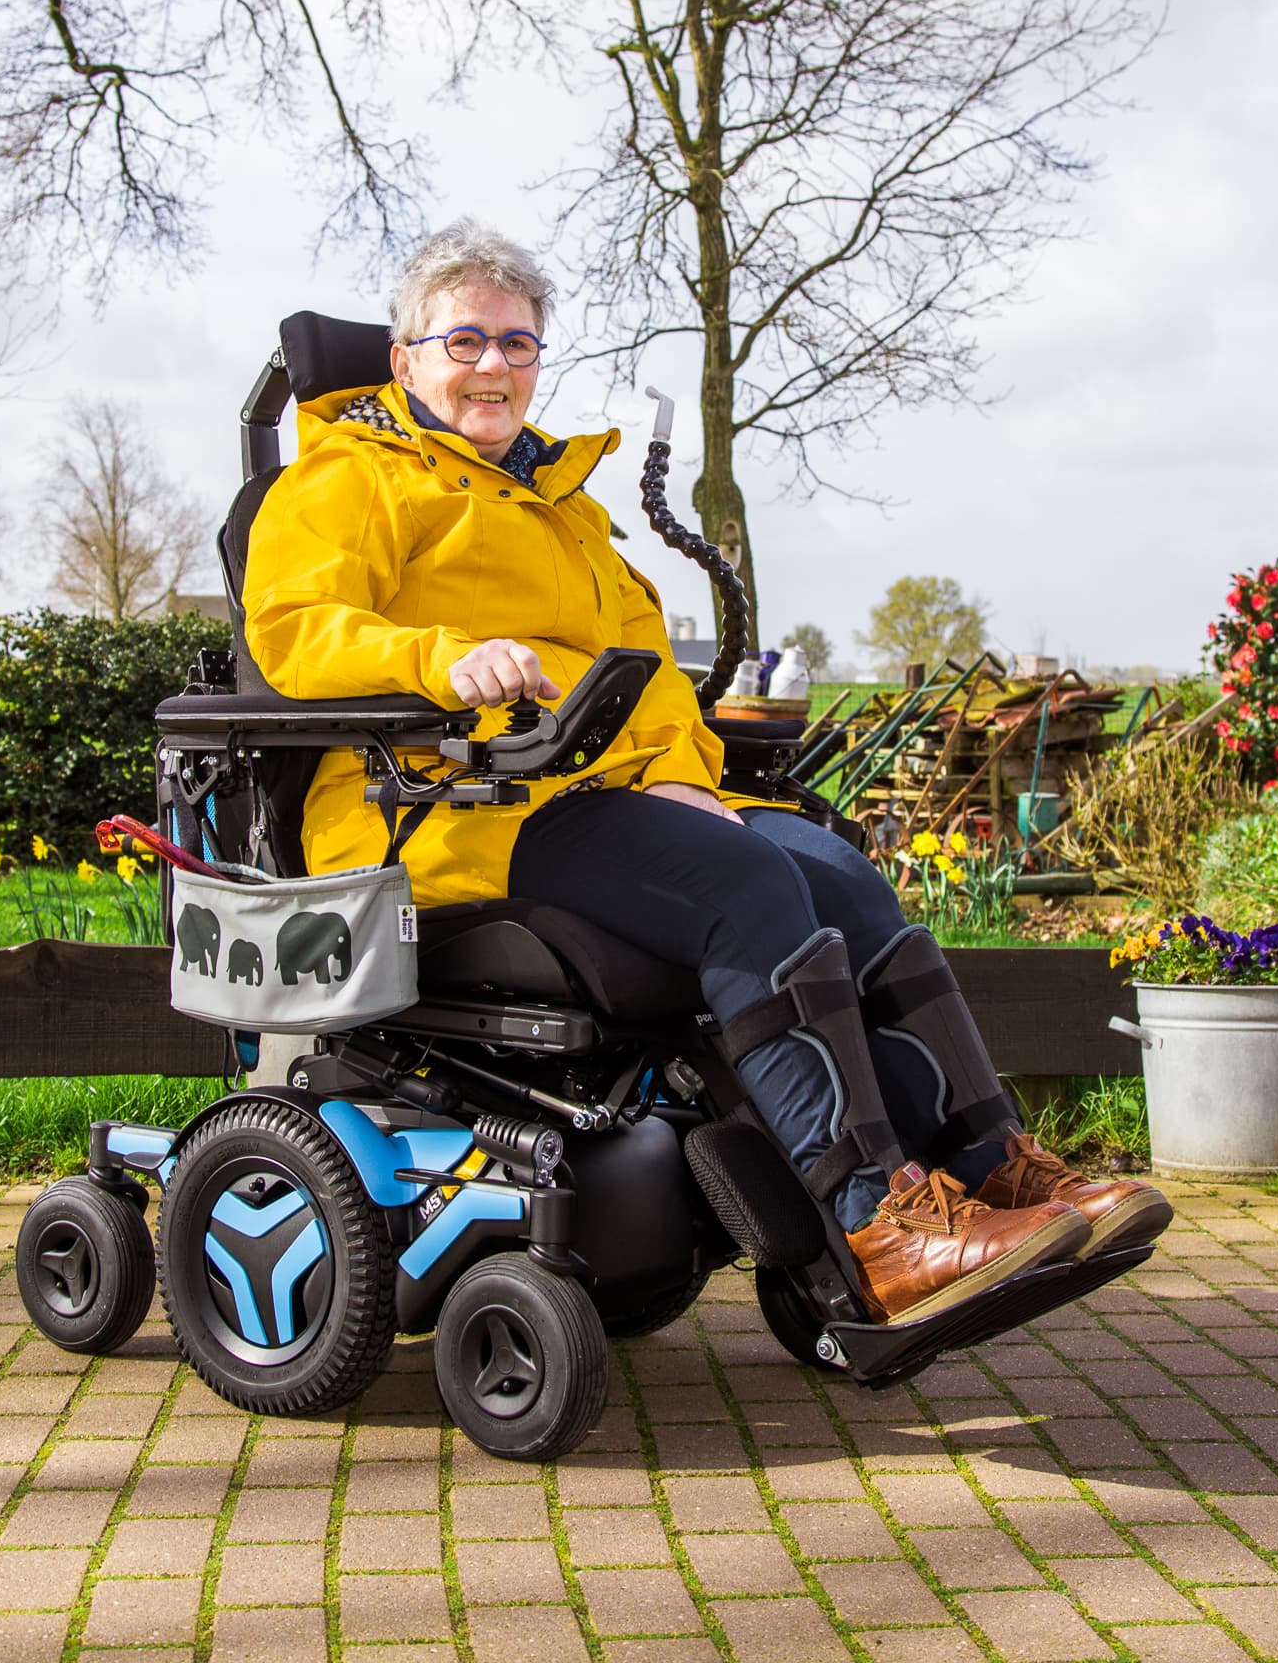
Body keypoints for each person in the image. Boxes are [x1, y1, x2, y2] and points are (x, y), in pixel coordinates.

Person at [244, 219, 1170, 1325]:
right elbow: (295, 632)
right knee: (746, 891)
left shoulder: (563, 505)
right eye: (465, 340)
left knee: (835, 870)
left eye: (519, 342)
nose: (494, 364)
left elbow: (650, 672)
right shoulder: (346, 478)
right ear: (404, 361)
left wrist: (687, 776)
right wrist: (443, 659)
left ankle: (999, 1164)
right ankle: (881, 1221)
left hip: (595, 789)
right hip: (445, 802)